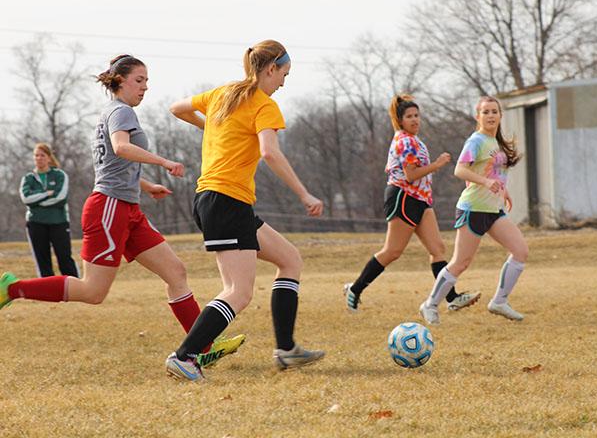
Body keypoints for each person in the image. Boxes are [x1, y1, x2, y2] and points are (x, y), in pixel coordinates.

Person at [0, 55, 243, 368]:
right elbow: (121, 148)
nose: (145, 87)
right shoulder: (121, 111)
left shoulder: (113, 112)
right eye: (139, 80)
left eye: (146, 81)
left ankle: (201, 347)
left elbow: (113, 167)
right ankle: (12, 287)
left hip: (126, 208)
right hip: (109, 210)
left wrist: (145, 185)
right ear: (120, 81)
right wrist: (164, 162)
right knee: (92, 291)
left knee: (176, 272)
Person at [165, 39, 325, 381]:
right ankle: (185, 356)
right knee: (238, 292)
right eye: (284, 74)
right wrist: (304, 193)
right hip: (226, 201)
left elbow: (176, 108)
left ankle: (285, 349)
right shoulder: (264, 105)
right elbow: (269, 152)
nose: (284, 81)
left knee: (290, 259)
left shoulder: (223, 94)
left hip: (216, 200)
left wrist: (212, 125)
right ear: (270, 69)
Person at [343, 94, 481, 314]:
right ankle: (355, 289)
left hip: (420, 200)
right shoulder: (405, 140)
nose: (415, 120)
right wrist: (437, 164)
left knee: (438, 249)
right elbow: (410, 175)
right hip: (404, 197)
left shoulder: (413, 139)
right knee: (393, 251)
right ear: (400, 120)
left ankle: (452, 298)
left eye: (417, 115)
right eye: (409, 116)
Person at [419, 95, 528, 325]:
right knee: (461, 262)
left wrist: (502, 190)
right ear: (477, 116)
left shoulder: (496, 143)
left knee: (520, 251)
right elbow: (460, 170)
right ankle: (429, 304)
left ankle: (499, 301)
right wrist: (486, 183)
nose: (490, 115)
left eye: (494, 111)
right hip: (473, 209)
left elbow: (495, 173)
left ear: (500, 115)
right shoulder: (476, 141)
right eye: (485, 112)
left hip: (493, 210)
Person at [19, 143, 79, 277]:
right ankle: (47, 290)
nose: (39, 158)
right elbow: (26, 199)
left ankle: (75, 286)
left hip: (58, 222)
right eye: (36, 155)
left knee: (64, 258)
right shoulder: (28, 178)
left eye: (42, 155)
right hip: (36, 223)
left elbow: (60, 198)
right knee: (42, 260)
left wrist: (38, 202)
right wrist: (47, 194)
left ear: (49, 158)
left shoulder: (59, 175)